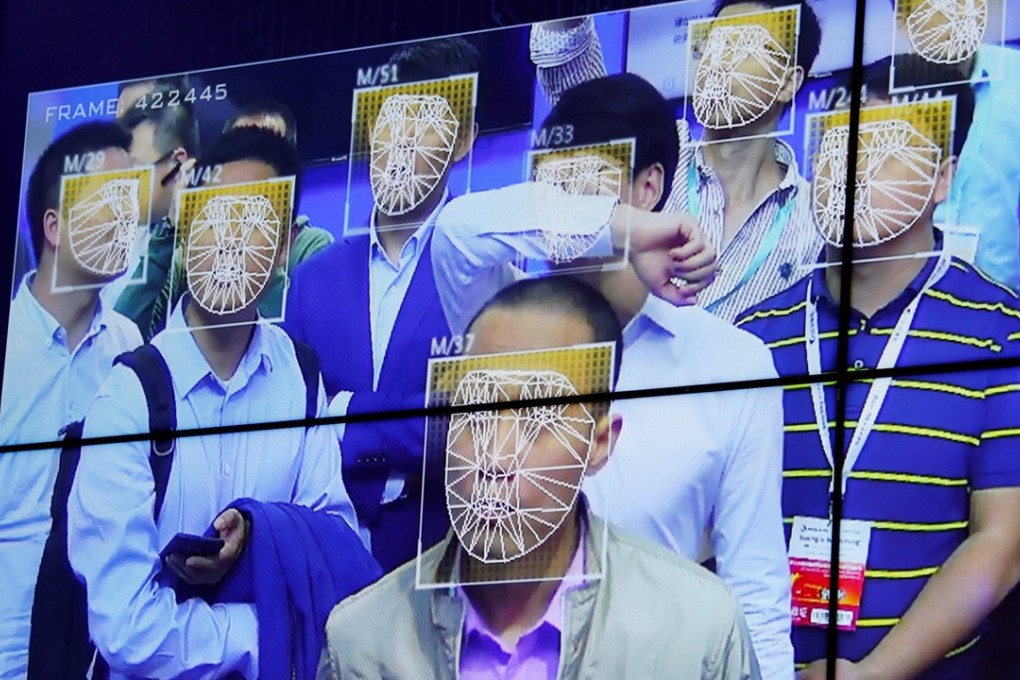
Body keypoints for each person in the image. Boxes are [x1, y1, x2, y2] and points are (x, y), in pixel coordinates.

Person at [431, 72, 792, 679]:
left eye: (587, 188)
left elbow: (755, 593)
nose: (564, 214)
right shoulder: (500, 327)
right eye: (550, 193)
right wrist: (627, 226)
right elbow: (456, 234)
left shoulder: (733, 364)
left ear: (650, 184)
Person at [317, 277, 761, 680]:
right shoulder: (363, 642)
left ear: (599, 443)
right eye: (475, 411)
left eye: (538, 417)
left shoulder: (698, 631)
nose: (495, 456)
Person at [737, 57, 1020, 679]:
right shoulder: (749, 341)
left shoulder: (1002, 331)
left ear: (942, 178)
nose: (851, 172)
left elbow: (1002, 544)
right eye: (838, 147)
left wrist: (869, 676)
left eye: (883, 150)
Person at [67, 126, 360, 679]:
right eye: (214, 216)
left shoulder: (300, 376)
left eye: (252, 224)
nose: (228, 240)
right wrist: (275, 629)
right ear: (186, 228)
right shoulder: (130, 393)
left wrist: (260, 536)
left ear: (280, 252)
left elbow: (334, 542)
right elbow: (128, 630)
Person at [283, 36, 481, 571]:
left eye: (424, 121)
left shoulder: (488, 277)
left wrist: (346, 418)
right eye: (388, 118)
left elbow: (470, 428)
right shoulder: (313, 279)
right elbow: (289, 432)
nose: (399, 139)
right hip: (321, 563)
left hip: (444, 563)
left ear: (462, 141)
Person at [529, 0, 825, 322]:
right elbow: (569, 66)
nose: (720, 61)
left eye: (744, 45)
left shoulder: (816, 222)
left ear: (787, 82)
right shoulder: (650, 147)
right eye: (714, 43)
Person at [0, 122, 143, 679]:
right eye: (109, 199)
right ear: (54, 226)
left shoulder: (134, 349)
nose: (124, 217)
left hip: (98, 654)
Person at [890, 0, 1020, 291]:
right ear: (903, 20)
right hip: (910, 306)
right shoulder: (881, 100)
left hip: (1009, 308)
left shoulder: (1016, 80)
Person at [223, 99, 335, 315]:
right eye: (241, 150)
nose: (253, 168)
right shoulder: (199, 244)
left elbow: (300, 333)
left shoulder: (313, 248)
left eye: (268, 152)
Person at [109, 83, 200, 337]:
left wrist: (169, 236)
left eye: (135, 170)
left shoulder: (207, 241)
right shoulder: (119, 234)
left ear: (177, 163)